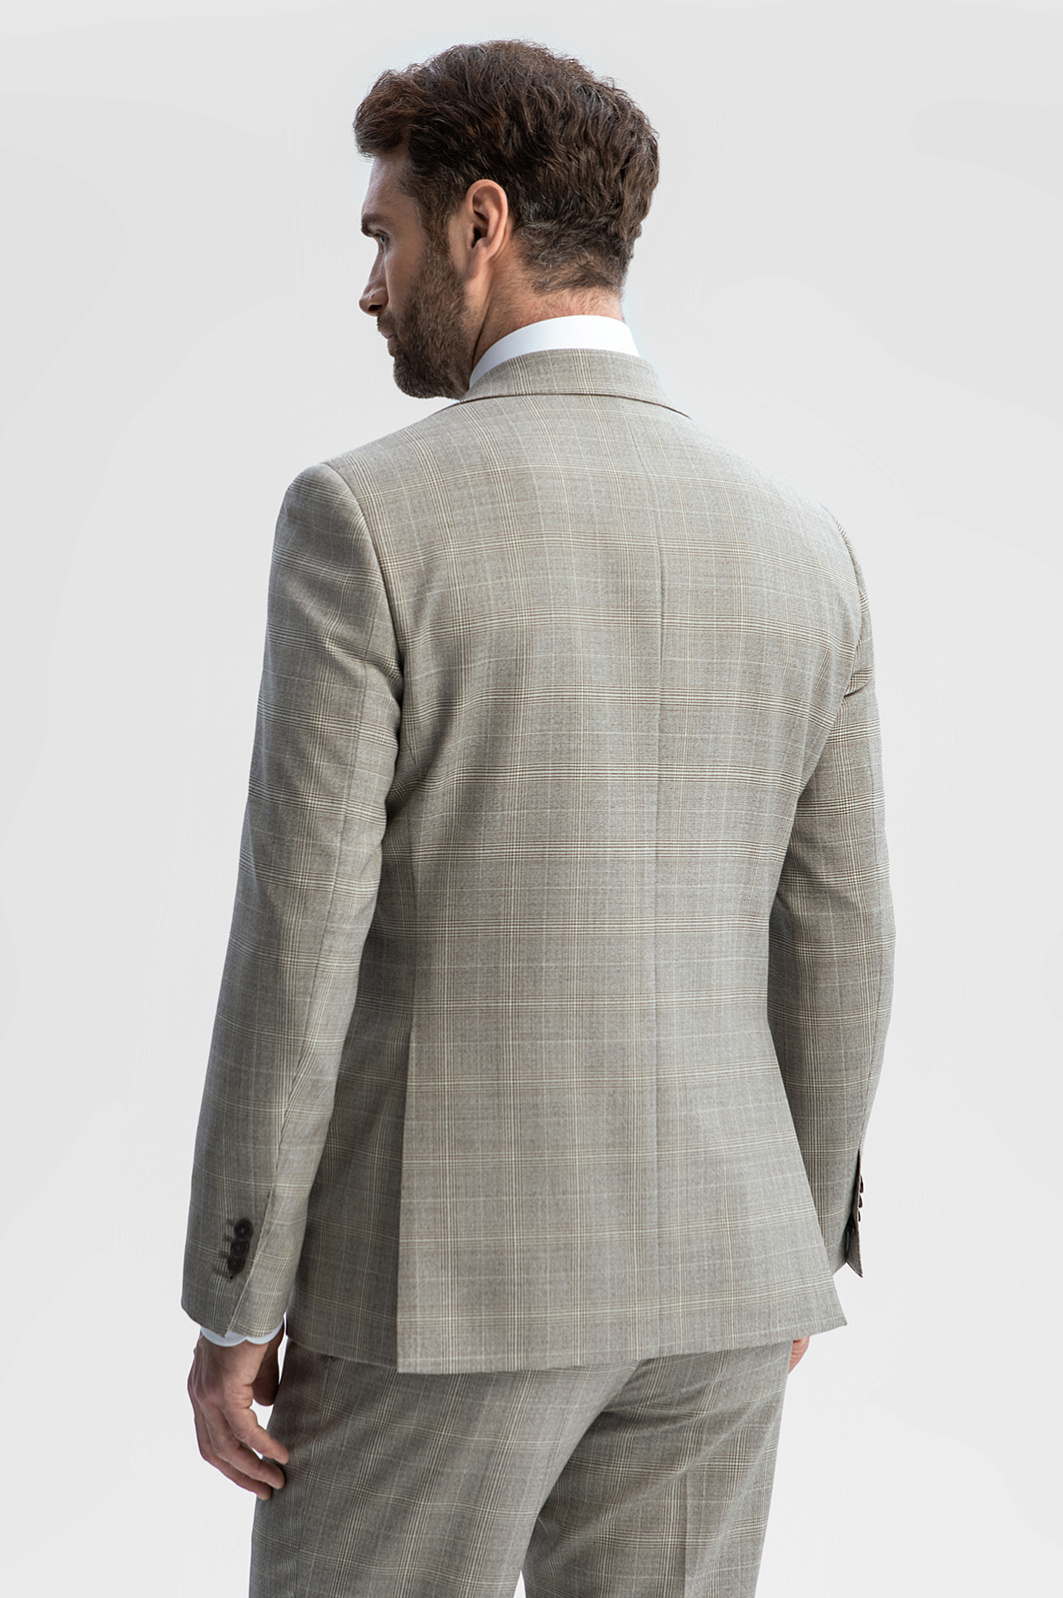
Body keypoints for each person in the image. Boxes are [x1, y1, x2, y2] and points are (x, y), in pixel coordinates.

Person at [183, 38, 894, 1598]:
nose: (370, 287)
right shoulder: (805, 544)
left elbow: (301, 930)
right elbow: (844, 930)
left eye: (383, 235)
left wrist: (237, 1290)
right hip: (722, 1280)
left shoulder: (365, 519)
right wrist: (793, 1232)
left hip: (440, 1287)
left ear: (481, 221)